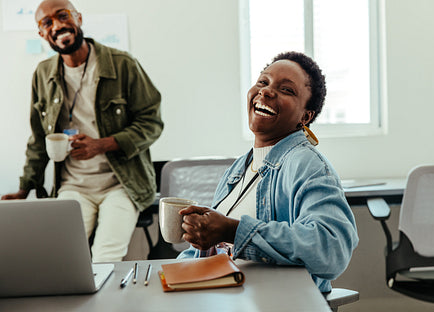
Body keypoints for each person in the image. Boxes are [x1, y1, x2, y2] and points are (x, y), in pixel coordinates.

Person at [177, 51, 358, 293]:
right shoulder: (239, 168)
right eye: (263, 82)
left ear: (305, 116)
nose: (267, 91)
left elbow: (332, 249)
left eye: (287, 90)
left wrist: (233, 230)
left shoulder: (307, 165)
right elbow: (206, 254)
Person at [1, 0, 163, 262]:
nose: (57, 25)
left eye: (63, 15)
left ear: (78, 18)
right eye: (47, 22)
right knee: (57, 256)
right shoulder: (43, 74)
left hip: (121, 185)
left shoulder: (122, 64)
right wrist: (25, 187)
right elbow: (39, 138)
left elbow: (152, 122)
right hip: (72, 186)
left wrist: (102, 144)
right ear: (42, 34)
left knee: (104, 258)